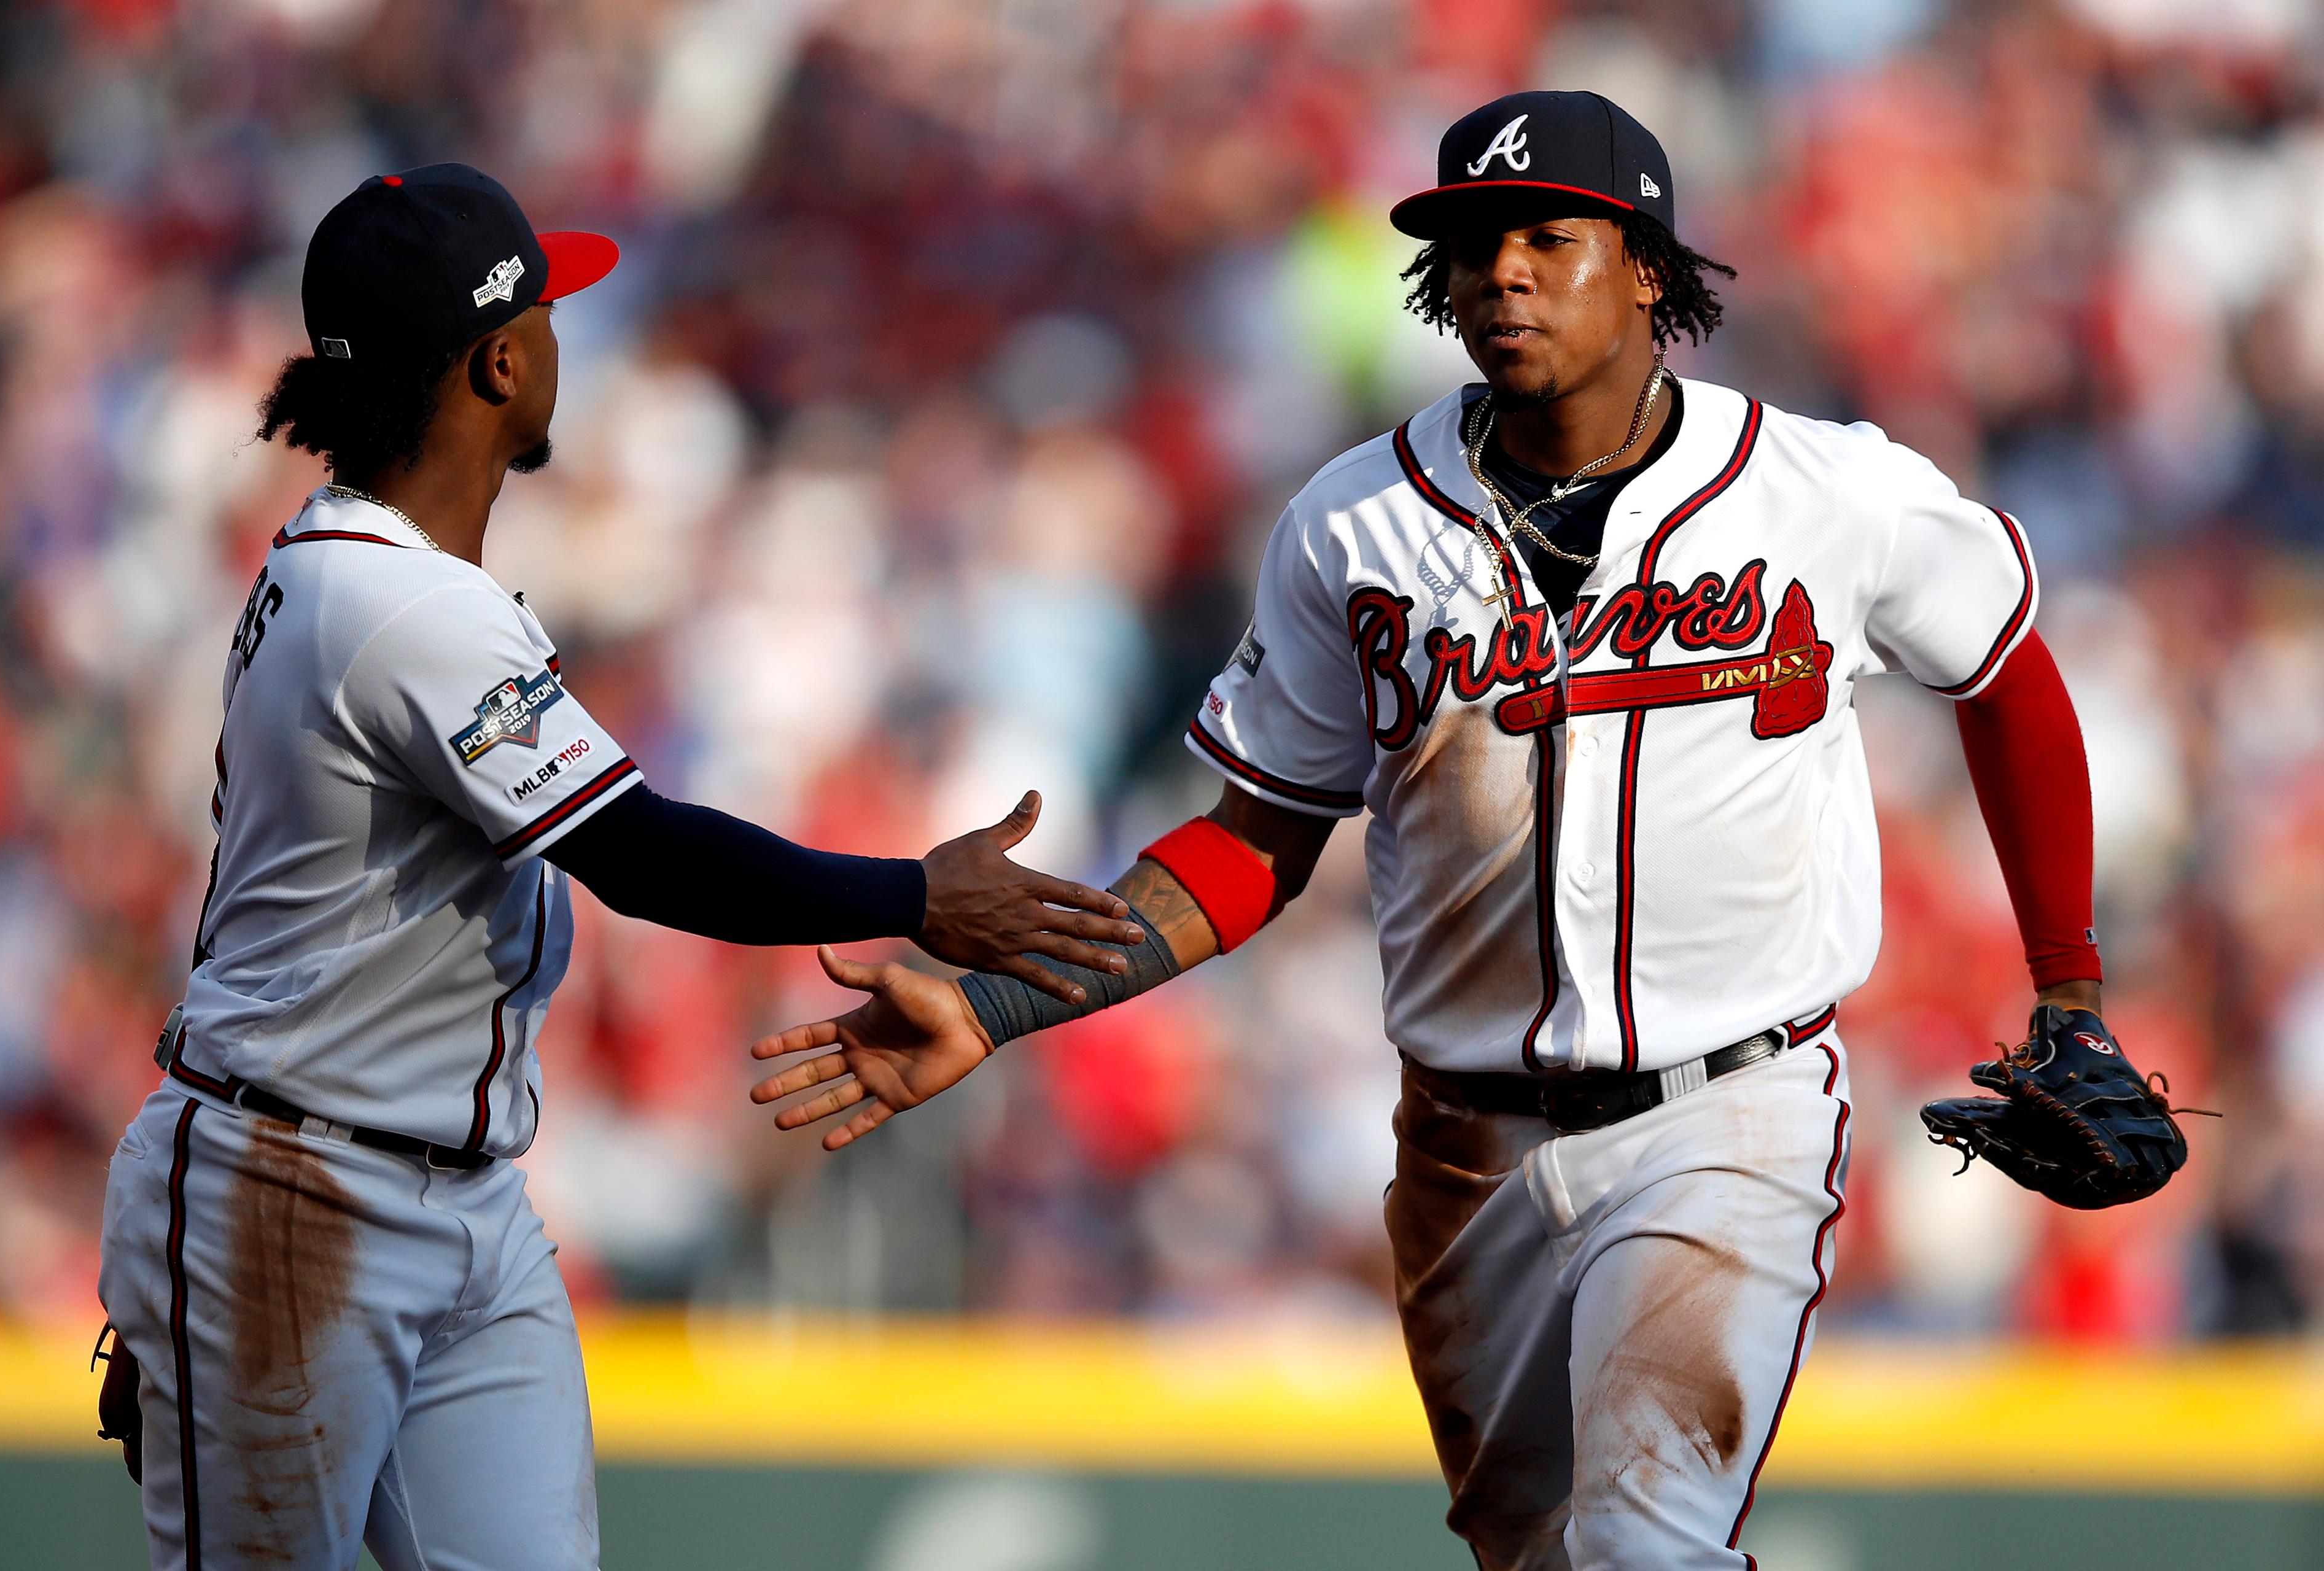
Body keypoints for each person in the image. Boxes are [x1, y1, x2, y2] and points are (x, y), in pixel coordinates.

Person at [746, 93, 2123, 1570]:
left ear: (1648, 267)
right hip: (1467, 1142)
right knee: (1539, 1557)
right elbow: (1251, 844)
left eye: (1549, 236)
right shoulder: (1353, 524)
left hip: (1730, 1104)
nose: (1503, 271)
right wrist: (1001, 1001)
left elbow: (2007, 672)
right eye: (1473, 245)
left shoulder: (1821, 489)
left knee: (1647, 1544)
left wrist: (2071, 988)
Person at [91, 163, 1138, 1571]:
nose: (563, 340)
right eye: (546, 313)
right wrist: (918, 895)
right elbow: (640, 853)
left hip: (444, 1194)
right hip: (295, 1190)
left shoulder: (355, 571)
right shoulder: (392, 602)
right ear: (499, 362)